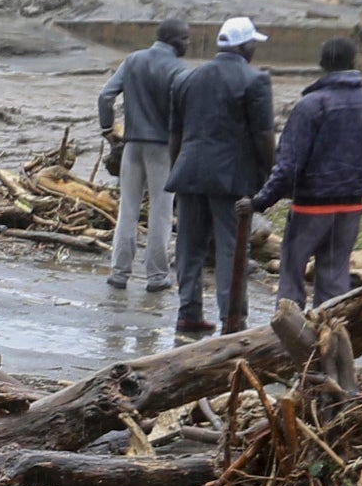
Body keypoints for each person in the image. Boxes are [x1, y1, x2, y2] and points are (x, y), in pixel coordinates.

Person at [251, 38, 362, 309]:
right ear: (355, 63)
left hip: (310, 208)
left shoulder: (311, 105)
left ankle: (290, 340)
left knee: (292, 277)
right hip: (350, 206)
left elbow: (289, 166)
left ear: (321, 65)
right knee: (334, 278)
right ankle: (329, 338)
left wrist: (262, 201)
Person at [165, 17, 279, 336]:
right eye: (253, 43)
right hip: (231, 179)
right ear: (245, 46)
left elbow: (175, 135)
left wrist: (178, 170)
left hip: (188, 173)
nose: (254, 48)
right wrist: (268, 178)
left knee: (189, 249)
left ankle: (188, 314)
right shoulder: (255, 80)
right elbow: (263, 136)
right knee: (231, 248)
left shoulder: (186, 79)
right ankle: (232, 319)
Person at [98, 18, 187, 295]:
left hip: (132, 144)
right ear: (173, 40)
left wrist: (107, 129)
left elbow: (105, 96)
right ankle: (157, 276)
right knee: (161, 212)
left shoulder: (133, 60)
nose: (188, 43)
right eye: (185, 39)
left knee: (128, 209)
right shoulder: (179, 70)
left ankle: (119, 272)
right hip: (162, 147)